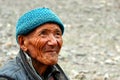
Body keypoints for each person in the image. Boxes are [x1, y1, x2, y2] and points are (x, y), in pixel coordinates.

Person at [0, 7, 69, 80]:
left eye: (57, 34)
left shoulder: (54, 73)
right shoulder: (9, 77)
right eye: (43, 34)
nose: (54, 42)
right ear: (22, 42)